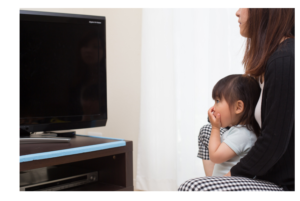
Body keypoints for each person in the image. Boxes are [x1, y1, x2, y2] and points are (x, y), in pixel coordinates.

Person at [179, 8, 294, 191]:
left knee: (193, 188)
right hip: (267, 167)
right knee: (207, 131)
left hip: (284, 181)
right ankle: (214, 182)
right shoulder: (271, 61)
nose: (237, 12)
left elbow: (274, 143)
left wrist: (228, 178)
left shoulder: (285, 59)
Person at [206, 74, 260, 176]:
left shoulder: (243, 135)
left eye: (217, 101)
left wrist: (215, 127)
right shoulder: (239, 131)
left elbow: (215, 157)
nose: (213, 107)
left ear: (238, 107)